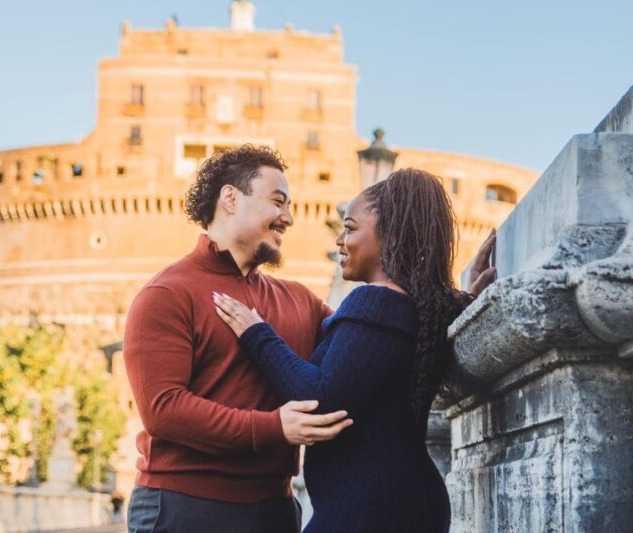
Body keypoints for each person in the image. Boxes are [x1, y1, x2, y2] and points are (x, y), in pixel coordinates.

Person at [214, 168, 496, 532]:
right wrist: (467, 299)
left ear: (389, 236)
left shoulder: (374, 301)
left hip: (367, 508)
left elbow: (320, 401)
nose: (339, 240)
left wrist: (257, 335)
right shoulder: (420, 307)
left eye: (350, 227)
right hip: (402, 501)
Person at [123, 145, 353, 533]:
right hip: (183, 509)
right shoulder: (166, 293)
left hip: (275, 511)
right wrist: (273, 427)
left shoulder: (300, 301)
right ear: (230, 198)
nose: (289, 218)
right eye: (278, 202)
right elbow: (163, 409)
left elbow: (364, 340)